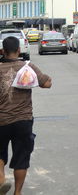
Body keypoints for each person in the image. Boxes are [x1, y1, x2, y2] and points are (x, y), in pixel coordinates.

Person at [0, 36, 52, 195]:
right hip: (23, 121)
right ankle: (17, 192)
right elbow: (46, 84)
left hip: (1, 121)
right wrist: (47, 78)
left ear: (2, 51)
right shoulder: (27, 67)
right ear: (19, 50)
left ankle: (1, 181)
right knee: (21, 159)